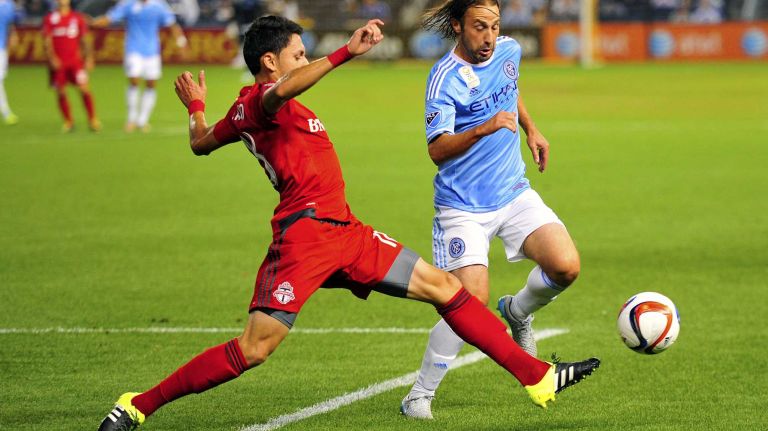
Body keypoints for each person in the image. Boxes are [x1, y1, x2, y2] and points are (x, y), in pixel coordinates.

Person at [96, 15, 600, 431]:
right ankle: (138, 404)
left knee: (448, 289)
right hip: (305, 237)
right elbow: (278, 91)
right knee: (254, 348)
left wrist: (196, 107)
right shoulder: (260, 102)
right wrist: (344, 54)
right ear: (270, 62)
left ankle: (537, 377)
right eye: (298, 54)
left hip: (346, 232)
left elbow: (200, 141)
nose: (304, 61)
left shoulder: (243, 112)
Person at [401, 0, 585, 419]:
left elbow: (510, 89)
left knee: (566, 266)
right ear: (457, 25)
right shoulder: (444, 78)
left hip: (513, 191)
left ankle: (518, 312)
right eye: (480, 27)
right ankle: (418, 395)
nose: (489, 37)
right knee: (469, 301)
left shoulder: (508, 50)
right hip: (463, 207)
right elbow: (436, 150)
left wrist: (531, 129)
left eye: (495, 26)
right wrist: (483, 128)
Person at [92, 0, 188, 132]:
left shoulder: (158, 5)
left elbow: (172, 25)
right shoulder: (128, 4)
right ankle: (131, 119)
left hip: (152, 51)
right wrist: (92, 22)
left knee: (151, 84)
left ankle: (143, 120)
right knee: (134, 81)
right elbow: (110, 18)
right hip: (133, 49)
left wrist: (181, 42)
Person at [43, 0, 101, 132]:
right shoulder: (50, 18)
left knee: (84, 89)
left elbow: (85, 39)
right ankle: (68, 121)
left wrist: (89, 57)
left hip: (75, 62)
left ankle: (92, 119)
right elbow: (47, 40)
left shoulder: (77, 18)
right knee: (61, 91)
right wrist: (51, 58)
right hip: (59, 62)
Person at [0, 0, 19, 125]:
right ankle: (6, 112)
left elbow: (10, 24)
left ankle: (6, 112)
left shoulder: (8, 5)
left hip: (1, 48)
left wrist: (13, 35)